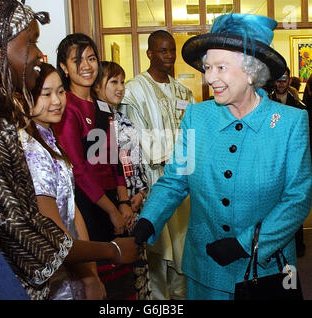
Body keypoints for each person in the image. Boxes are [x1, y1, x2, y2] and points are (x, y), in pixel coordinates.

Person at [132, 13, 312, 300]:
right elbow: (176, 180)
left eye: (220, 67)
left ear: (251, 71)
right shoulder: (196, 116)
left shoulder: (290, 123)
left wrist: (245, 245)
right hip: (206, 270)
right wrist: (147, 220)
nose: (209, 77)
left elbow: (297, 198)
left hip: (267, 270)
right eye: (207, 67)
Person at [0, 0, 139, 300]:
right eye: (31, 41)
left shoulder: (0, 120)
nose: (38, 52)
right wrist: (111, 250)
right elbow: (27, 238)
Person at [54, 34, 136, 300]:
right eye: (77, 60)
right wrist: (112, 209)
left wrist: (123, 202)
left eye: (91, 58)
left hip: (112, 202)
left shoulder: (101, 104)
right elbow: (77, 168)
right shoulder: (66, 106)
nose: (87, 65)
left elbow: (113, 156)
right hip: (87, 205)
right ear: (64, 68)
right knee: (99, 284)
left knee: (123, 285)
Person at [19, 62, 108, 300]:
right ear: (24, 98)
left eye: (60, 92)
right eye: (46, 94)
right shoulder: (31, 149)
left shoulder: (49, 139)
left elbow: (71, 206)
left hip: (72, 261)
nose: (57, 101)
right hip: (55, 270)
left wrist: (91, 274)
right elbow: (52, 233)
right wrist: (112, 253)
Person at [121, 30, 196, 300]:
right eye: (163, 51)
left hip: (184, 182)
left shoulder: (184, 91)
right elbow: (133, 138)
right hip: (153, 181)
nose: (169, 56)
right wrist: (179, 150)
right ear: (149, 53)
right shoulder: (133, 90)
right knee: (157, 250)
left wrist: (185, 153)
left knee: (182, 249)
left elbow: (194, 136)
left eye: (172, 51)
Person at [94, 61, 152, 300]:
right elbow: (99, 171)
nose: (120, 88)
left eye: (122, 82)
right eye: (113, 82)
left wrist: (141, 193)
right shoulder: (95, 121)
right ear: (97, 86)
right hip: (114, 210)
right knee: (119, 279)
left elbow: (136, 164)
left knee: (138, 274)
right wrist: (123, 202)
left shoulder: (123, 119)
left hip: (134, 206)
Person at [268, 67, 307, 257]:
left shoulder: (299, 106)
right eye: (278, 80)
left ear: (289, 80)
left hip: (292, 162)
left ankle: (297, 244)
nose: (281, 83)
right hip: (272, 162)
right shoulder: (266, 102)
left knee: (294, 202)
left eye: (284, 79)